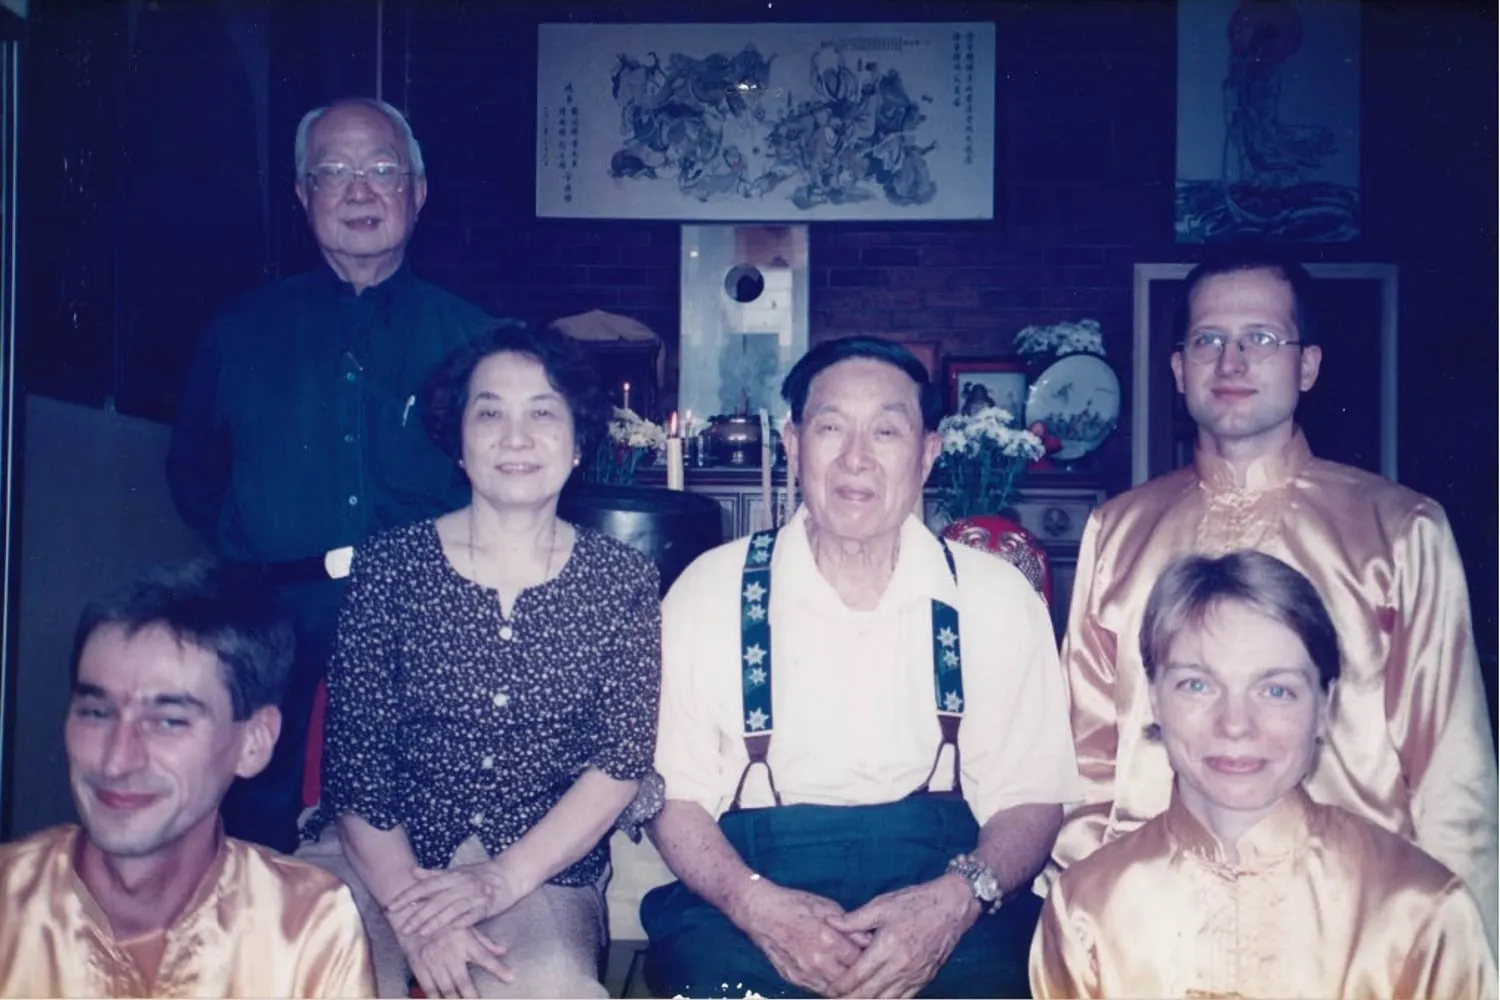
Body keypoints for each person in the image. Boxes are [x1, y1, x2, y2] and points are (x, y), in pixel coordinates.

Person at [1054, 250, 1500, 947]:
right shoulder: (1119, 530)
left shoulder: (1398, 528)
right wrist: (1085, 910)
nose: (1231, 362)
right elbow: (1087, 756)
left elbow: (1452, 769)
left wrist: (1465, 944)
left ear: (1308, 366)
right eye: (1207, 340)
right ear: (1178, 371)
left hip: (1353, 922)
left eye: (1261, 338)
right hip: (1155, 923)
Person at [642, 336, 1080, 999]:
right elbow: (673, 801)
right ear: (792, 444)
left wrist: (953, 903)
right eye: (830, 428)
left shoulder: (994, 599)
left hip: (949, 902)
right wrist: (755, 906)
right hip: (748, 902)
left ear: (928, 453)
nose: (855, 459)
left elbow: (1032, 801)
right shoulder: (710, 592)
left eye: (885, 430)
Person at [167, 97, 494, 854]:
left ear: (417, 192)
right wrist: (253, 548)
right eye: (333, 173)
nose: (359, 191)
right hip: (272, 608)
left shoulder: (474, 338)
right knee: (257, 819)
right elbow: (193, 467)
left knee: (419, 830)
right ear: (301, 196)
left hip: (426, 614)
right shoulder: (240, 330)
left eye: (382, 171)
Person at [297, 322, 662, 999]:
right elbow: (356, 765)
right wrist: (417, 918)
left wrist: (498, 880)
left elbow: (618, 763)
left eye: (543, 413)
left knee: (549, 985)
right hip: (376, 853)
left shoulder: (623, 581)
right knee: (321, 975)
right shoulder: (389, 568)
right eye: (489, 411)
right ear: (458, 441)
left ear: (579, 442)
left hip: (540, 864)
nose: (515, 437)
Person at [1031, 550, 1497, 998]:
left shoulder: (1421, 910)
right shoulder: (1086, 910)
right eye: (1197, 684)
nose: (1235, 725)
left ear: (1323, 707)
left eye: (1276, 690)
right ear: (1153, 697)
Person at [0, 561, 375, 998]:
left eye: (169, 721)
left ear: (254, 742)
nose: (117, 760)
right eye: (97, 713)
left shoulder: (304, 925)